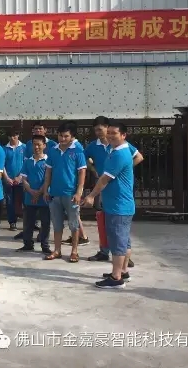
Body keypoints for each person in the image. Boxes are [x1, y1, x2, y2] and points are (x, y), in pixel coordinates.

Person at [82, 122, 136, 289]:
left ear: (123, 135)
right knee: (124, 241)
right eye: (109, 132)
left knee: (118, 242)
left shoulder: (119, 154)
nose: (110, 136)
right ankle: (123, 272)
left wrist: (91, 196)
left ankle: (116, 277)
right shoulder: (117, 150)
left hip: (119, 206)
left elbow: (104, 179)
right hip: (119, 204)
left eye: (114, 133)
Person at [42, 122, 87, 262]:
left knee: (74, 224)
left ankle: (74, 251)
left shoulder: (78, 151)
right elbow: (48, 172)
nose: (62, 139)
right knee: (57, 224)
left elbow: (82, 172)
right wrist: (46, 189)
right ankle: (57, 250)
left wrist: (79, 192)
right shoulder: (53, 150)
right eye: (60, 135)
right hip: (55, 193)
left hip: (71, 194)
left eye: (66, 136)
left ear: (72, 136)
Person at [16, 135, 51, 254]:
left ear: (44, 146)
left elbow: (48, 179)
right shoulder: (28, 161)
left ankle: (45, 245)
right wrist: (31, 191)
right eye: (34, 144)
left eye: (39, 144)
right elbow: (24, 178)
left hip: (44, 197)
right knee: (28, 223)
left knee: (45, 223)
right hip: (29, 197)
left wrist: (39, 192)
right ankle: (27, 244)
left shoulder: (48, 161)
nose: (36, 147)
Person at [3, 130, 26, 231]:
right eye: (10, 136)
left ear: (18, 135)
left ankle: (29, 222)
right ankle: (12, 222)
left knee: (25, 201)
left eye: (15, 135)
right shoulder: (4, 149)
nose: (13, 138)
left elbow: (27, 163)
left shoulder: (24, 147)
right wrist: (7, 178)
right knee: (10, 201)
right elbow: (1, 165)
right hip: (8, 180)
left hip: (22, 179)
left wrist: (20, 176)